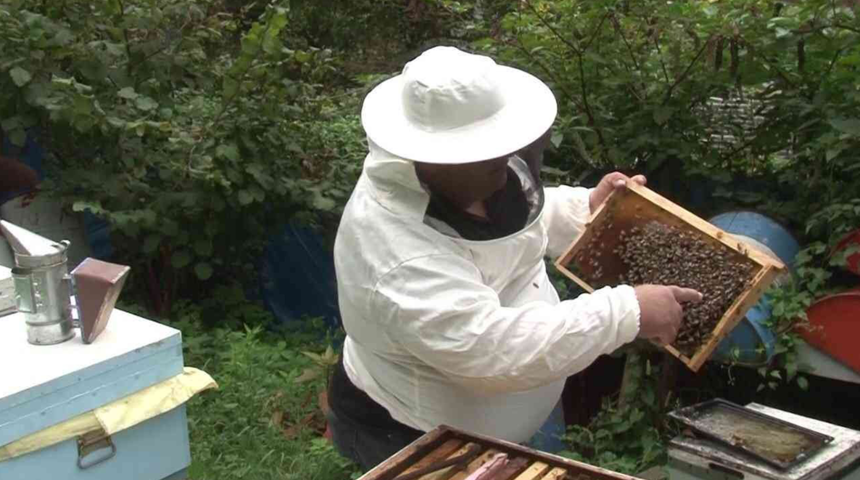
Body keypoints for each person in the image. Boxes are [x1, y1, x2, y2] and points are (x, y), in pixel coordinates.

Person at [327, 46, 702, 470]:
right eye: (484, 157)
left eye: (502, 149)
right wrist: (625, 310)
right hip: (417, 433)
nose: (503, 166)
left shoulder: (473, 177)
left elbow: (519, 220)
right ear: (429, 158)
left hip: (514, 411)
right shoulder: (395, 254)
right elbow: (491, 348)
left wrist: (587, 211)